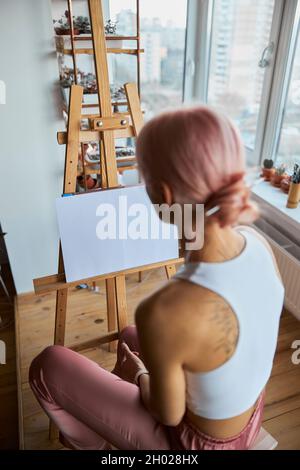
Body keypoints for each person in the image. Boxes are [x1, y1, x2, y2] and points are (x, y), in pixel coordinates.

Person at [29, 107, 284, 450]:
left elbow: (168, 415)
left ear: (163, 194)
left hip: (198, 444)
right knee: (133, 336)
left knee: (48, 366)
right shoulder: (259, 245)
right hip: (250, 416)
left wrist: (138, 375)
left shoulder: (164, 311)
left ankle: (94, 445)